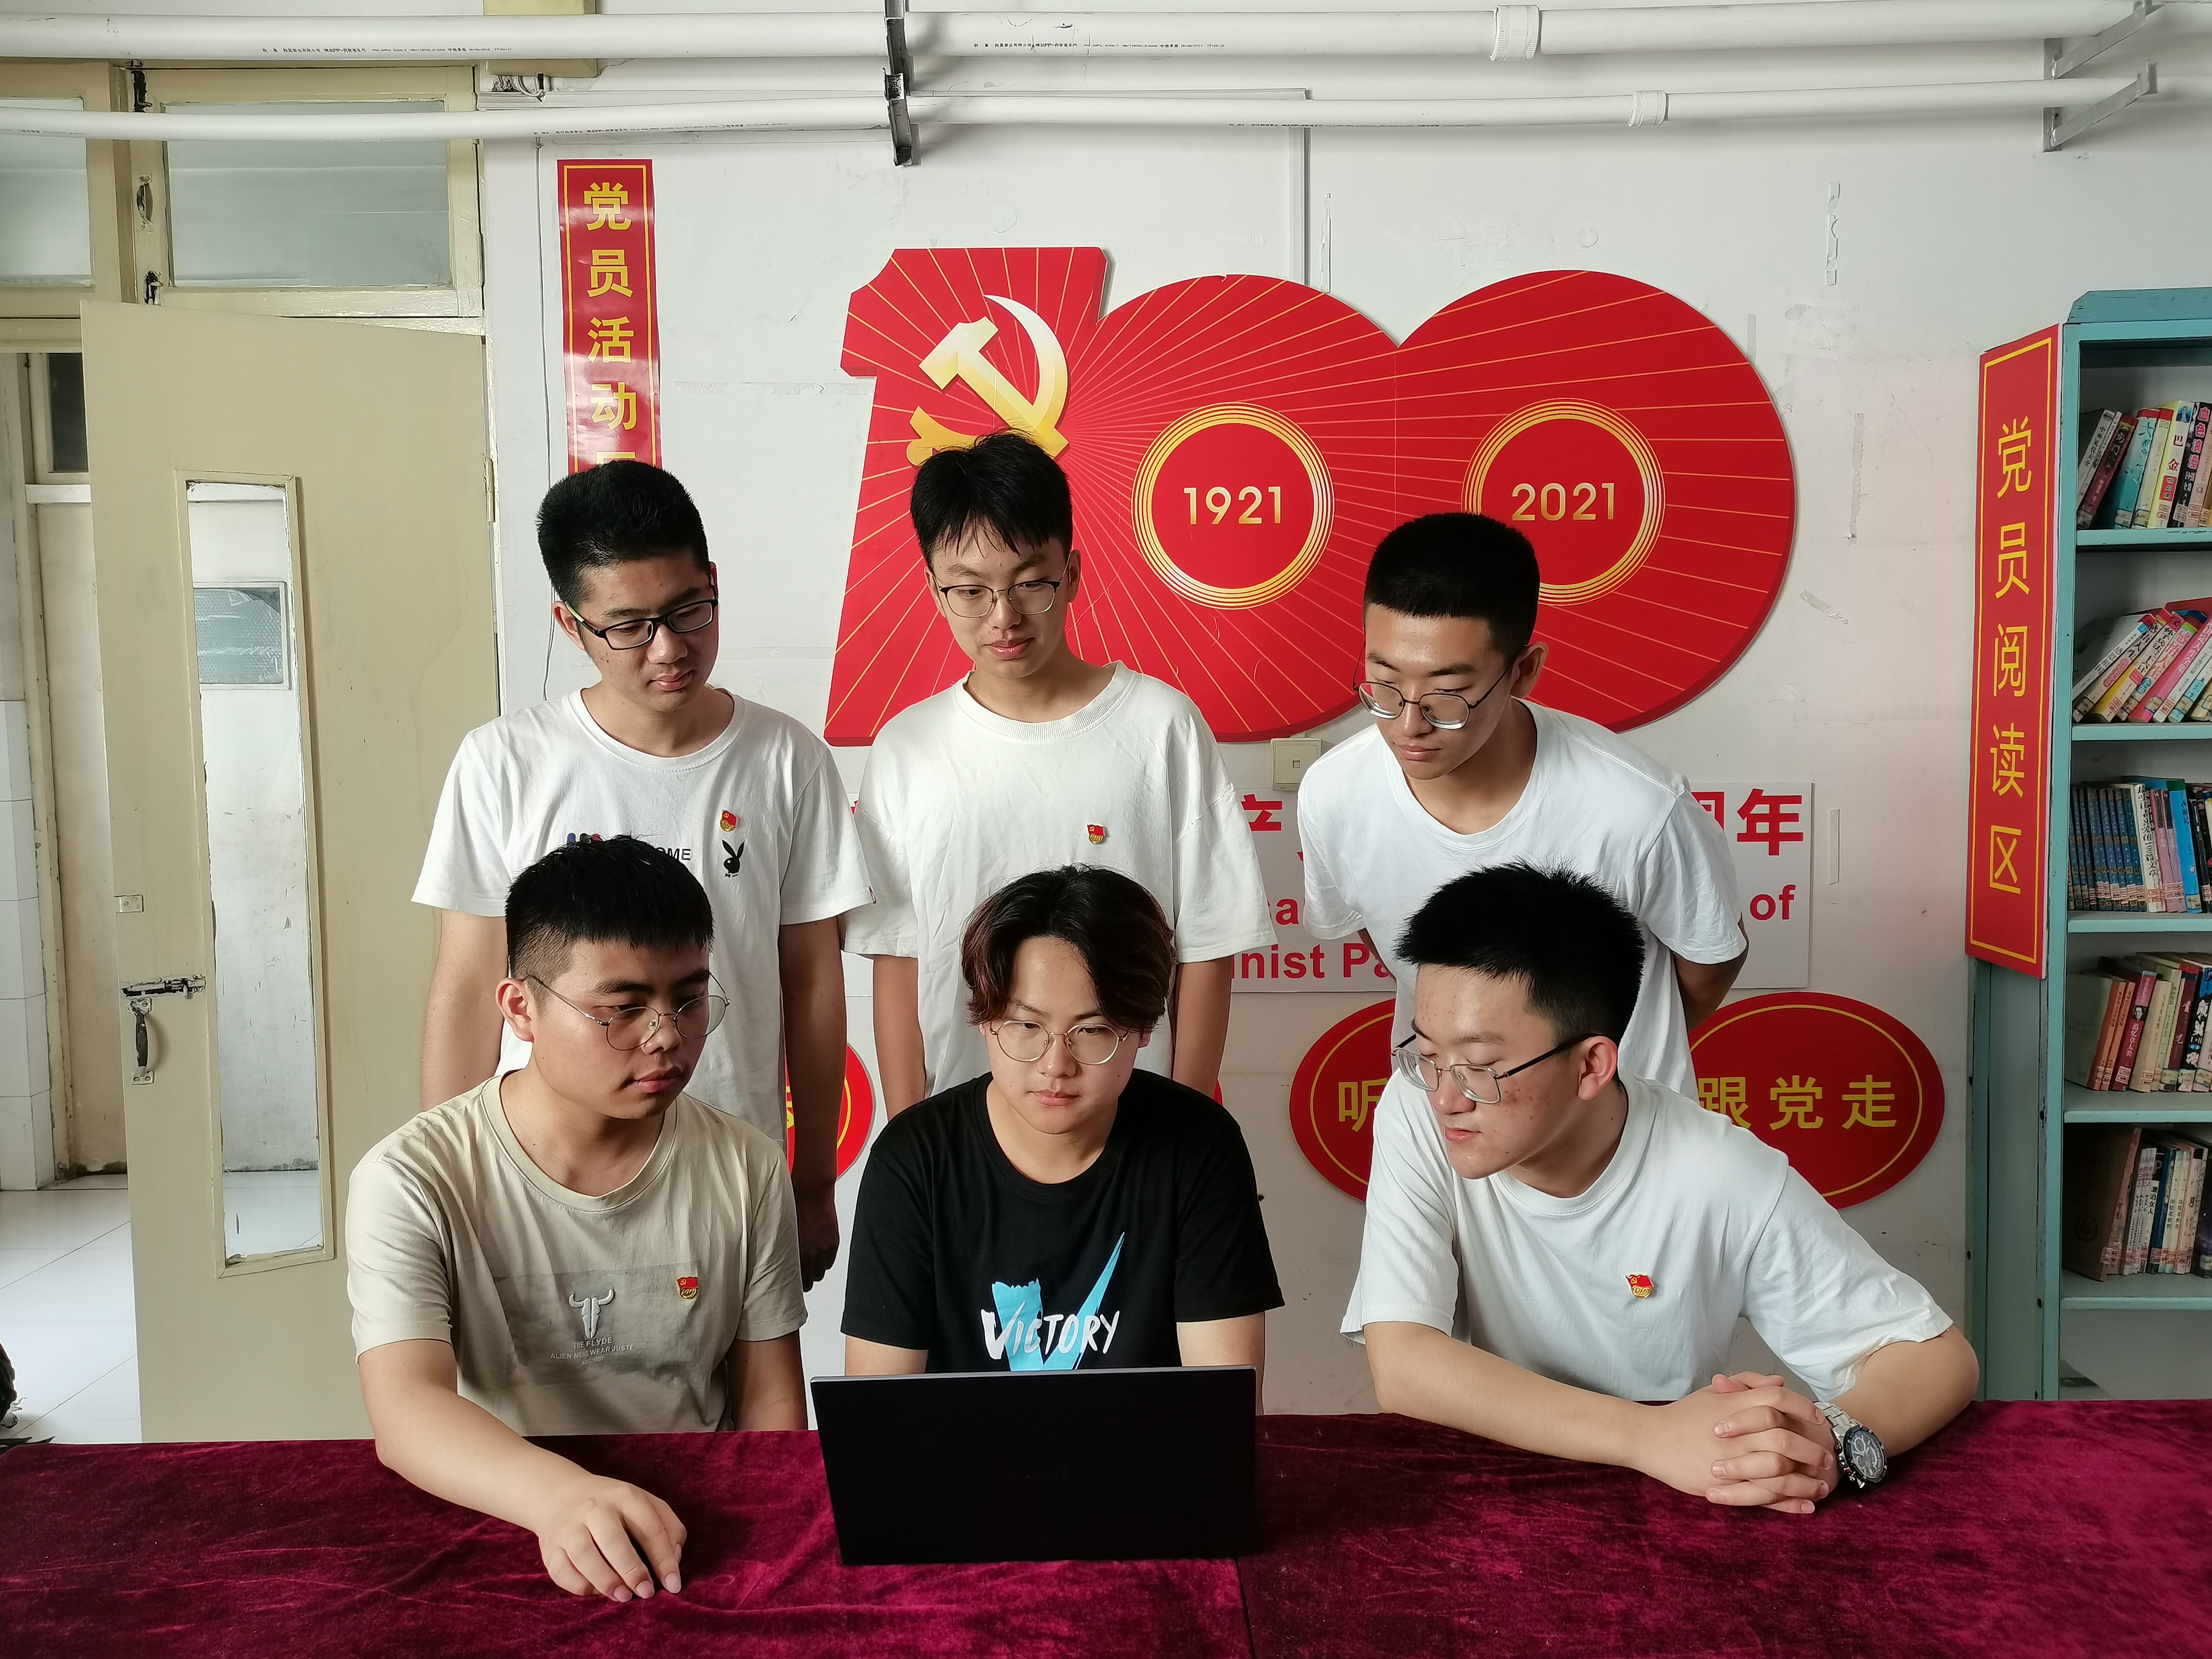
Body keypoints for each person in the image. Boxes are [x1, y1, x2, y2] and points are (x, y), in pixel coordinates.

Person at [1351, 862, 1978, 1515]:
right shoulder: (1415, 1111)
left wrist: (1824, 1442)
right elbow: (1405, 1366)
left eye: (1481, 1067)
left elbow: (1936, 1358)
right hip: (1500, 1490)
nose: (1446, 1097)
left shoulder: (1717, 1171)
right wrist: (1645, 1436)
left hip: (1670, 1501)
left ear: (1591, 1065)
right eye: (1428, 1056)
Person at [415, 460, 867, 1286]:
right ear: (570, 623)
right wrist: (448, 1181)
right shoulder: (504, 764)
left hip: (733, 1171)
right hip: (542, 1175)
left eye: (689, 611)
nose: (669, 649)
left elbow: (810, 979)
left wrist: (811, 1183)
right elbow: (470, 983)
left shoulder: (786, 759)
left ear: (713, 583)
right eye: (627, 626)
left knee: (745, 1372)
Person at [349, 837, 807, 1602]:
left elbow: (770, 1401)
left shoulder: (747, 1166)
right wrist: (561, 1497)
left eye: (690, 1001)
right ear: (520, 1008)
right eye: (622, 1010)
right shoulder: (413, 1178)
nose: (667, 1036)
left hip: (696, 1531)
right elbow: (407, 1409)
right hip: (504, 1509)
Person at [843, 433, 1272, 1113]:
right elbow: (897, 960)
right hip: (964, 1123)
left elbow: (1209, 946)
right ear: (934, 588)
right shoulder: (908, 748)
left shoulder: (1161, 726)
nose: (1003, 618)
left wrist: (1185, 1134)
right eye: (970, 590)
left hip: (1131, 1121)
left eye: (1029, 584)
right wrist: (908, 1136)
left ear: (1071, 573)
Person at [1298, 512, 1745, 1096]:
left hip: (1620, 1122)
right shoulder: (1334, 794)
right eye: (1384, 684)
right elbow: (1388, 946)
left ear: (1524, 671)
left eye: (1448, 695)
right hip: (1442, 1115)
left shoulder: (1637, 808)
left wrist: (1614, 1053)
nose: (1408, 725)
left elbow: (1710, 961)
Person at [842, 866, 1282, 1382]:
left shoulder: (1198, 1146)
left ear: (1142, 1028)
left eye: (1092, 1031)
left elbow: (1222, 1408)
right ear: (985, 1018)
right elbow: (879, 1411)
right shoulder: (915, 1159)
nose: (1056, 1065)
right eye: (1027, 1025)